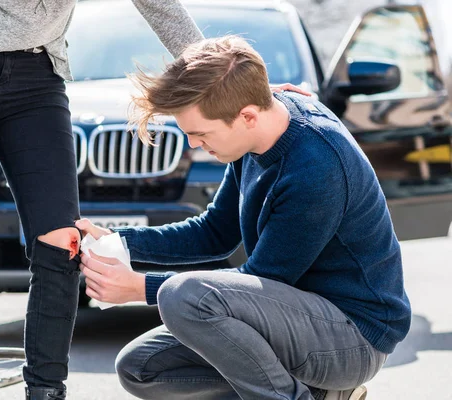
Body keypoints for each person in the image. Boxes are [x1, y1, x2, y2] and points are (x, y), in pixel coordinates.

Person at [0, 1, 206, 399]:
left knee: (62, 244)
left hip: (37, 78)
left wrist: (236, 78)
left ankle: (46, 390)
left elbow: (161, 8)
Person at [76, 35, 411, 400]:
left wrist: (141, 287)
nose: (192, 144)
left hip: (352, 338)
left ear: (248, 116)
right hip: (292, 322)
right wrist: (118, 240)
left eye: (200, 134)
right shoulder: (256, 127)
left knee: (183, 295)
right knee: (141, 368)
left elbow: (264, 280)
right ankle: (321, 395)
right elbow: (214, 233)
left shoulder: (315, 167)